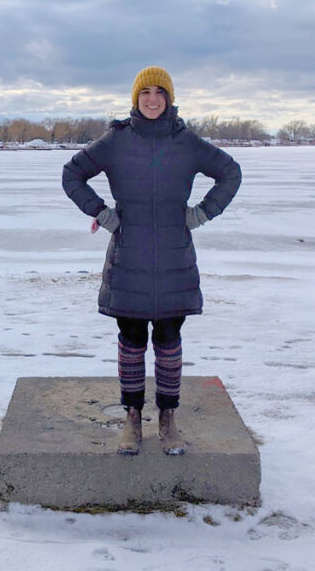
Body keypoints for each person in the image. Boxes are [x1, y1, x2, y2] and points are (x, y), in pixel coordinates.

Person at [62, 66, 241, 456]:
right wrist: (103, 213)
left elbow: (229, 172)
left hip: (175, 261)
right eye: (146, 93)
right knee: (131, 342)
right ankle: (131, 418)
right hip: (128, 260)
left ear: (170, 98)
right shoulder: (117, 140)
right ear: (135, 99)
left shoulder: (187, 141)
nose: (153, 99)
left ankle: (167, 419)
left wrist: (201, 213)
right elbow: (72, 174)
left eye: (160, 92)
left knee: (168, 341)